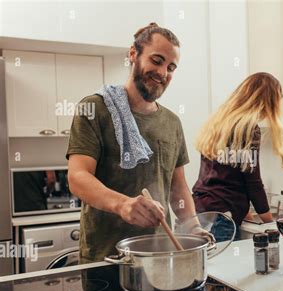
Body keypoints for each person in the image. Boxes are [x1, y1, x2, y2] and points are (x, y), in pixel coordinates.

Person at [67, 23, 204, 263]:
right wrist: (123, 204)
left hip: (161, 255)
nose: (163, 73)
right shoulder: (94, 109)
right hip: (105, 257)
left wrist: (192, 226)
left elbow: (177, 186)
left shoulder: (172, 122)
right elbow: (78, 178)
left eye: (171, 67)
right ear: (133, 54)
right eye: (157, 60)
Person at [192, 72, 283, 241]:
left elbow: (223, 174)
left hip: (197, 212)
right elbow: (253, 182)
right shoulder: (248, 129)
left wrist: (243, 209)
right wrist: (270, 224)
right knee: (225, 267)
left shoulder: (218, 124)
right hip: (222, 220)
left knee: (202, 266)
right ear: (267, 102)